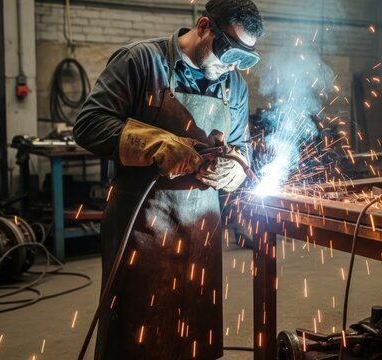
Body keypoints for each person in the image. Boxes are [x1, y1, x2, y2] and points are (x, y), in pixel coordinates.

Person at [73, 0, 263, 358]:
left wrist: (235, 167)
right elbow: (88, 126)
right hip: (140, 226)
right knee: (134, 338)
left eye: (244, 59)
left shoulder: (234, 85)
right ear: (204, 26)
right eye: (228, 50)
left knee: (194, 337)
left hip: (201, 232)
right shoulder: (141, 61)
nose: (233, 65)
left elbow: (242, 148)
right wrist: (153, 142)